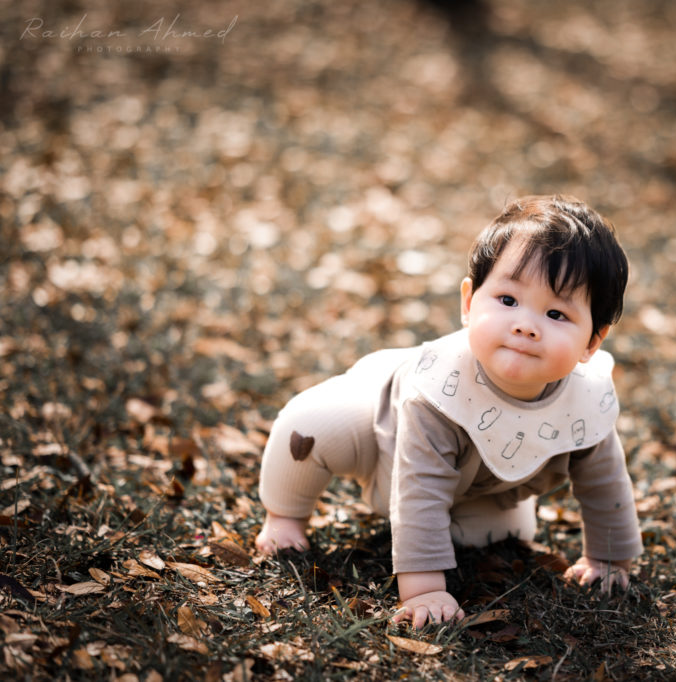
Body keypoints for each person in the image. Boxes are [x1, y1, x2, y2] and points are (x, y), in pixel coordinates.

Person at [255, 194, 643, 628]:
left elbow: (604, 482)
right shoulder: (437, 391)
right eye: (508, 300)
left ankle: (474, 519)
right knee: (312, 426)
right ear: (468, 302)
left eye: (556, 313)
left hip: (478, 485)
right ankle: (284, 514)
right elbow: (421, 485)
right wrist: (425, 590)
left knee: (500, 537)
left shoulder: (584, 403)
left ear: (593, 340)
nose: (525, 325)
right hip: (381, 438)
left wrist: (609, 559)